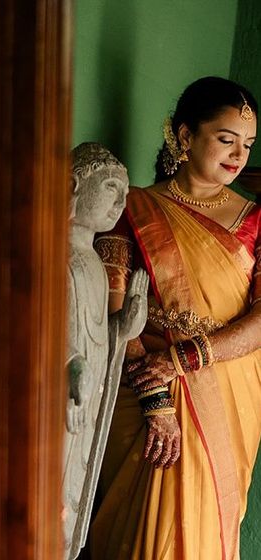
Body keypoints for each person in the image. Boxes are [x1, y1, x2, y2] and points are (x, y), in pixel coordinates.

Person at [90, 77, 261, 560]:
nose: (238, 155)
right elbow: (113, 306)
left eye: (247, 145)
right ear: (185, 137)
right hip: (148, 395)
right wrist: (156, 399)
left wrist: (184, 359)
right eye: (226, 140)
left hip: (229, 394)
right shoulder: (134, 207)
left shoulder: (256, 220)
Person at [63, 142, 148, 559]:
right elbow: (52, 332)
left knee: (74, 500)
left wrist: (124, 327)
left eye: (125, 194)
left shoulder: (93, 262)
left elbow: (97, 337)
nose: (120, 201)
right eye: (111, 186)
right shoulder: (56, 258)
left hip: (85, 405)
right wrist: (69, 365)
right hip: (63, 404)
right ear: (73, 187)